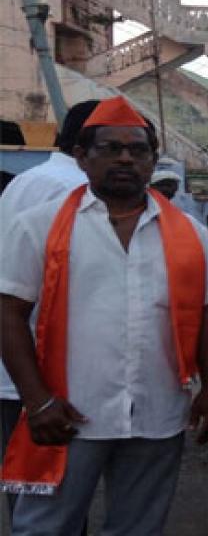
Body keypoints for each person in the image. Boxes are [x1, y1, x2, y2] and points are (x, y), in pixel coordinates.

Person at [0, 96, 208, 535]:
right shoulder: (39, 225)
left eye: (138, 149)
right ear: (82, 157)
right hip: (69, 411)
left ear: (152, 159)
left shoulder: (190, 234)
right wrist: (37, 400)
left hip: (157, 411)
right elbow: (9, 314)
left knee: (138, 528)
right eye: (111, 148)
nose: (126, 158)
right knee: (46, 528)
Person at [0, 100, 99, 516]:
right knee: (53, 487)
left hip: (14, 359)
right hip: (44, 361)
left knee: (22, 478)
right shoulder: (75, 192)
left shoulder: (26, 180)